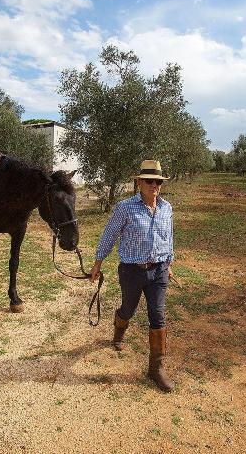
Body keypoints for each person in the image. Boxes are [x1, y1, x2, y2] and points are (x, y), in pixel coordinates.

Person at [90, 159, 175, 393]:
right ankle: (119, 330)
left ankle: (156, 368)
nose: (154, 185)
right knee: (128, 309)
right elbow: (109, 235)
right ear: (138, 182)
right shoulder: (125, 207)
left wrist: (168, 261)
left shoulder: (167, 208)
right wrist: (98, 262)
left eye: (157, 181)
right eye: (149, 181)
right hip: (131, 271)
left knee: (158, 316)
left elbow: (169, 237)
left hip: (158, 270)